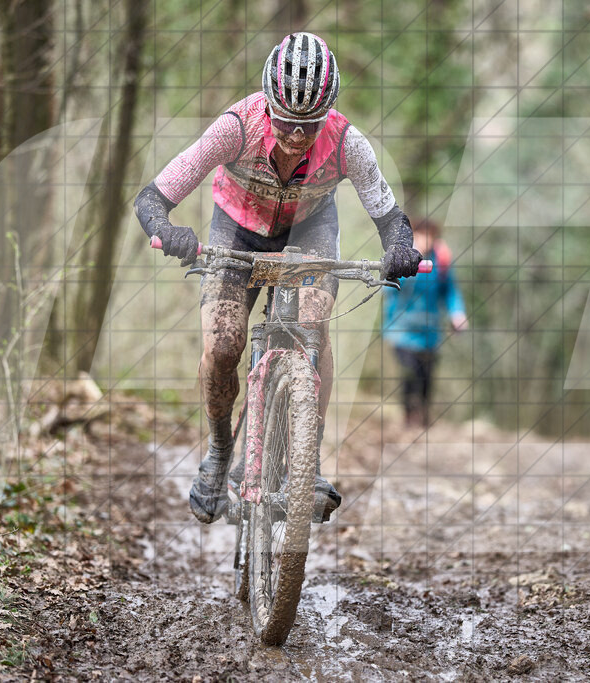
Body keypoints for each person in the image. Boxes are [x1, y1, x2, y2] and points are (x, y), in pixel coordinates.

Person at [134, 33, 422, 524]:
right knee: (224, 344)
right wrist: (167, 229)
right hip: (236, 230)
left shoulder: (349, 142)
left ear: (327, 113)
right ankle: (222, 447)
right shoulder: (236, 127)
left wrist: (399, 248)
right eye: (286, 121)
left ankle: (303, 462)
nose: (295, 135)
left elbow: (391, 217)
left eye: (308, 125)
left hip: (310, 229)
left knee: (314, 322)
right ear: (268, 104)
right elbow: (153, 195)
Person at [383, 218, 467, 428]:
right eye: (423, 235)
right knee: (409, 371)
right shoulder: (402, 255)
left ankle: (423, 415)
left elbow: (450, 291)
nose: (427, 240)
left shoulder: (442, 260)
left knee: (426, 376)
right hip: (401, 329)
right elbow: (387, 286)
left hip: (429, 332)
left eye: (432, 236)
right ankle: (409, 416)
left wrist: (457, 314)